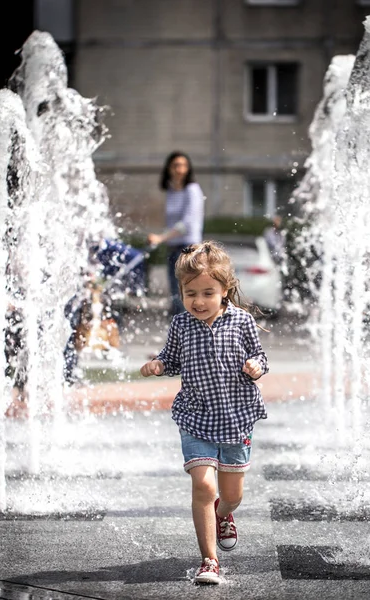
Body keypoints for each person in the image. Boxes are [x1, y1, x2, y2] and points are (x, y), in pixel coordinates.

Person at [139, 241, 269, 584]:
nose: (198, 301)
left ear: (225, 291)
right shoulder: (181, 325)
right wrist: (157, 364)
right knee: (203, 487)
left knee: (231, 496)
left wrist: (256, 366)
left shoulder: (242, 322)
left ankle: (224, 515)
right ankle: (209, 561)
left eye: (208, 292)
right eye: (190, 293)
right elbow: (172, 358)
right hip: (196, 418)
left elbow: (261, 357)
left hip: (236, 416)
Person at [147, 151, 205, 316]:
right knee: (175, 294)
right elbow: (172, 223)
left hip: (189, 248)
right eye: (176, 166)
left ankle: (189, 333)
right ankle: (178, 335)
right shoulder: (172, 191)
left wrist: (161, 238)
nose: (180, 169)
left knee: (187, 293)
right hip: (173, 247)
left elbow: (186, 223)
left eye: (183, 166)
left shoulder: (192, 190)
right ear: (169, 169)